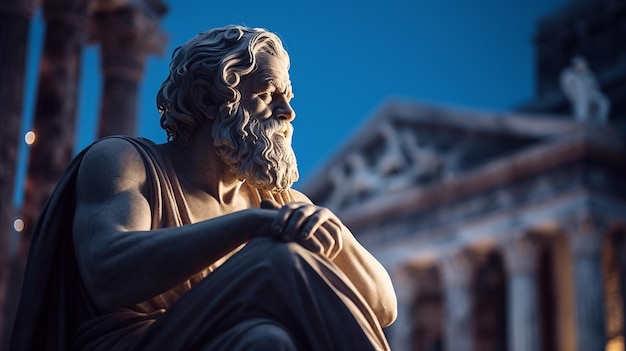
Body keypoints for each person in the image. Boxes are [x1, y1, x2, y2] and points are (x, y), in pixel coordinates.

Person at [12, 25, 397, 350]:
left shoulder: (277, 201)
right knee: (275, 260)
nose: (287, 112)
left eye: (288, 98)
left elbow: (383, 306)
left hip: (216, 340)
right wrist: (251, 227)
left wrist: (334, 235)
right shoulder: (126, 162)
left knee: (265, 340)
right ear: (207, 100)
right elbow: (107, 273)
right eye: (267, 95)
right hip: (135, 343)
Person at [560, 56, 610, 123]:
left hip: (591, 94)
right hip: (580, 96)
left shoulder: (589, 74)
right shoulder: (570, 75)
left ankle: (601, 120)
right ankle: (582, 122)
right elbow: (566, 86)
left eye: (583, 64)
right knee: (582, 106)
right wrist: (572, 96)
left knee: (603, 102)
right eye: (580, 64)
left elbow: (595, 86)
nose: (582, 66)